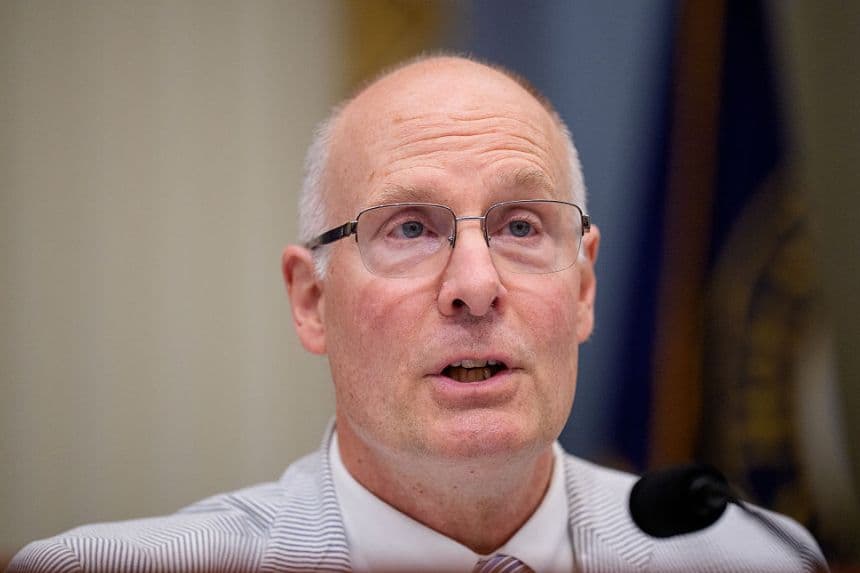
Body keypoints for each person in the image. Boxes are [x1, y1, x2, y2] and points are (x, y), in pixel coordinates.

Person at [8, 55, 826, 573]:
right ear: (311, 300)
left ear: (583, 290)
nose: (476, 284)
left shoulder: (751, 556)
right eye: (408, 228)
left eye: (519, 225)